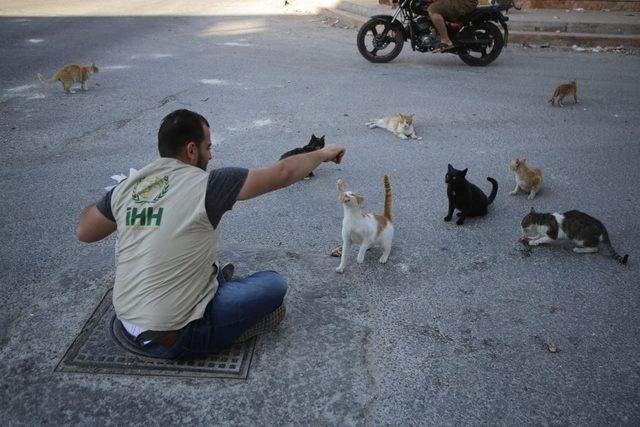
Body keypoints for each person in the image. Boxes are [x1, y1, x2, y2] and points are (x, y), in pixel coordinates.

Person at [76, 109, 345, 359]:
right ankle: (221, 315)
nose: (211, 156)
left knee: (199, 256)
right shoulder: (210, 185)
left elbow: (84, 231)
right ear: (192, 150)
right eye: (208, 148)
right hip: (175, 335)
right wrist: (323, 153)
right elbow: (284, 172)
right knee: (274, 285)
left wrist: (116, 199)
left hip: (126, 320)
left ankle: (213, 281)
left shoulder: (130, 187)